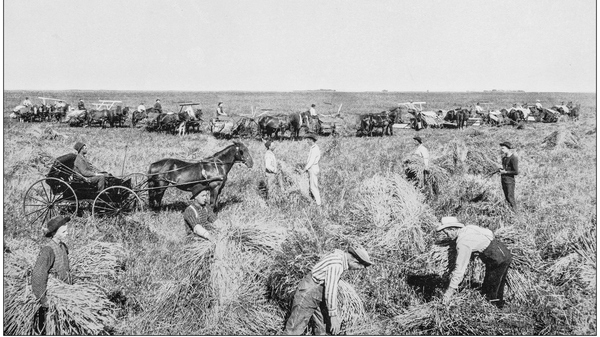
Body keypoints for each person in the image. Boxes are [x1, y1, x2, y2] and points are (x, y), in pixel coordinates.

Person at [283, 245, 373, 335]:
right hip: (309, 292)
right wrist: (333, 316)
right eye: (357, 268)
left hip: (318, 292)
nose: (353, 270)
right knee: (294, 328)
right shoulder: (336, 264)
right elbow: (330, 290)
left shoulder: (339, 256)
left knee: (322, 328)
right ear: (355, 261)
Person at [437, 216, 512, 308]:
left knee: (488, 292)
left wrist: (449, 292)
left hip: (496, 259)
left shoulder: (463, 242)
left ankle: (490, 315)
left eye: (446, 233)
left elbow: (459, 270)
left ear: (452, 229)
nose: (446, 236)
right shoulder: (469, 228)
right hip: (505, 252)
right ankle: (500, 308)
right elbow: (489, 233)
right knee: (498, 285)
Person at [32, 216, 73, 335]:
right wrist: (43, 300)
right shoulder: (48, 250)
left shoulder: (63, 247)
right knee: (51, 329)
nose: (67, 233)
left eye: (67, 230)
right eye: (63, 231)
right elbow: (38, 275)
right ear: (54, 233)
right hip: (52, 298)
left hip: (64, 294)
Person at [499, 142, 518, 211]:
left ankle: (516, 215)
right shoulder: (504, 158)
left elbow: (516, 172)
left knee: (510, 198)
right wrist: (501, 169)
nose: (502, 149)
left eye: (503, 148)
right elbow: (505, 168)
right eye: (501, 148)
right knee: (506, 198)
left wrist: (505, 172)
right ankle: (509, 213)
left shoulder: (513, 158)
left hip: (510, 181)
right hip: (503, 180)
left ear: (508, 149)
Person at [303, 135, 321, 206]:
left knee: (313, 186)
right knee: (313, 185)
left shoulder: (314, 149)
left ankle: (318, 203)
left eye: (308, 140)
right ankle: (316, 201)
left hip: (313, 168)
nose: (307, 141)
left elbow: (311, 161)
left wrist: (305, 168)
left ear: (311, 140)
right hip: (313, 167)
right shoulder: (313, 148)